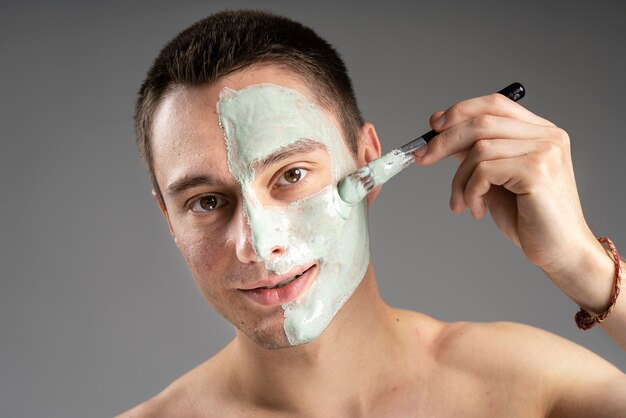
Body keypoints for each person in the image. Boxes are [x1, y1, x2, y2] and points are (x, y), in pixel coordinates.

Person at [118, 10, 625, 417]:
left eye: (291, 175)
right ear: (169, 221)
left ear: (369, 165)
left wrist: (583, 265)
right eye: (205, 202)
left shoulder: (531, 391)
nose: (259, 244)